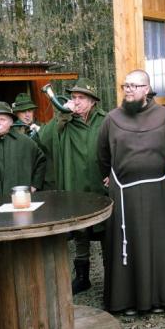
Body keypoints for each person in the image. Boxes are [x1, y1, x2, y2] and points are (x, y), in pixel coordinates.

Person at [97, 69, 165, 315]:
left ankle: (161, 298)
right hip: (124, 193)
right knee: (127, 245)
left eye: (135, 86)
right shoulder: (112, 118)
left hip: (156, 190)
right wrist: (109, 176)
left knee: (158, 244)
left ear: (147, 89)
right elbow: (102, 154)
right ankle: (126, 300)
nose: (129, 89)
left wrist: (157, 172)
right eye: (126, 85)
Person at [39, 78, 108, 294]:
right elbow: (42, 140)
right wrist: (61, 115)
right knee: (80, 233)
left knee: (106, 231)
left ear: (92, 101)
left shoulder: (106, 120)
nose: (75, 102)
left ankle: (111, 274)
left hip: (101, 185)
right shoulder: (63, 122)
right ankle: (82, 277)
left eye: (81, 98)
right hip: (75, 186)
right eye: (74, 97)